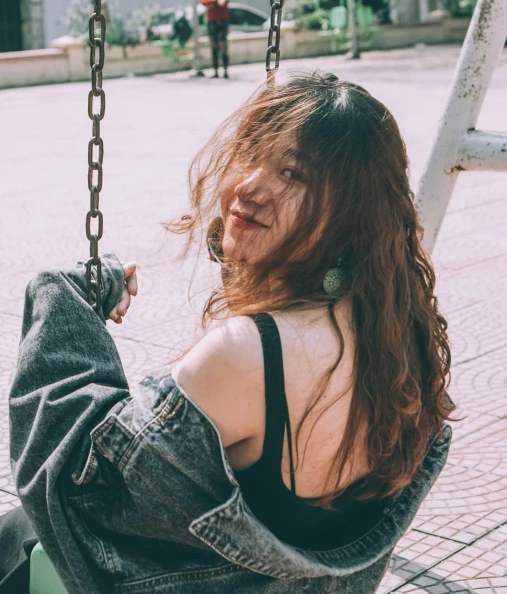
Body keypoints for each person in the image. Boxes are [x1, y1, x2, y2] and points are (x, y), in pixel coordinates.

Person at [4, 73, 454, 594]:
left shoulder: (247, 354)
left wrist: (65, 298)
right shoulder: (401, 342)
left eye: (293, 173)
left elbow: (81, 496)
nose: (248, 187)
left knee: (22, 534)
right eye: (250, 154)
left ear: (351, 211)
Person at [201, 0, 231, 79]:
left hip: (222, 21)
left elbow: (222, 2)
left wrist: (213, 0)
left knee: (223, 46)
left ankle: (226, 71)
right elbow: (204, 1)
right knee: (213, 47)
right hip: (212, 22)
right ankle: (215, 72)